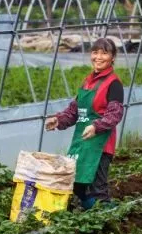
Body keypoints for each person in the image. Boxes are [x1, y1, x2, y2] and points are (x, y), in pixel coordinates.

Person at [44, 38, 125, 210]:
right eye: (95, 52)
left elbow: (115, 114)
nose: (99, 57)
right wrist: (58, 120)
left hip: (100, 145)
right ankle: (92, 213)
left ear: (112, 57)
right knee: (77, 186)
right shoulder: (88, 81)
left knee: (98, 189)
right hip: (81, 142)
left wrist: (96, 126)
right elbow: (74, 110)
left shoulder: (114, 83)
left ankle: (109, 220)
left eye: (104, 53)